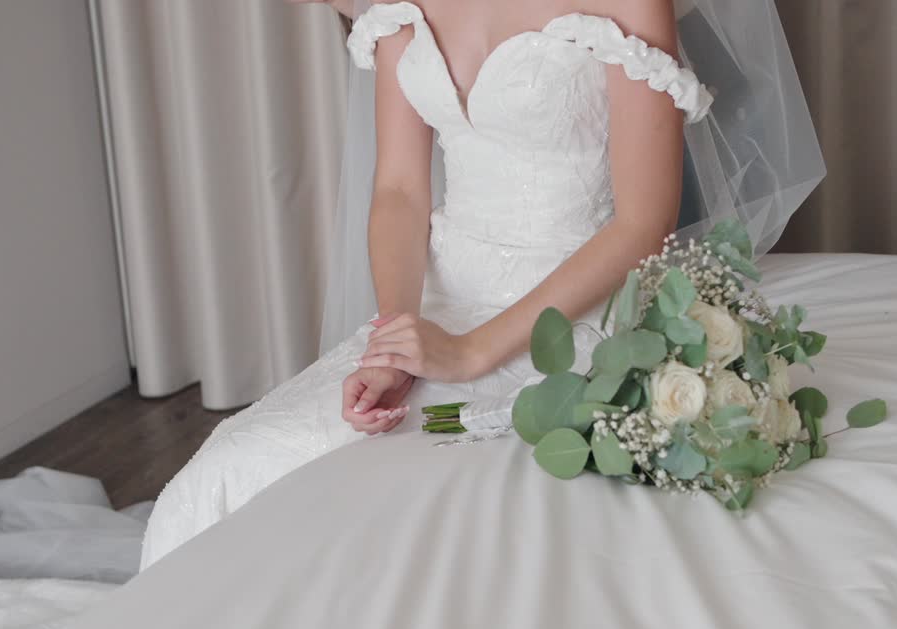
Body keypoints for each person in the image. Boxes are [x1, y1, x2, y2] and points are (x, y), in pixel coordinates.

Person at [140, 0, 822, 569]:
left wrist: (468, 354)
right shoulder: (397, 6)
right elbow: (401, 192)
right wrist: (394, 344)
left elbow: (645, 223)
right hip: (440, 294)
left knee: (425, 488)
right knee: (237, 464)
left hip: (573, 310)